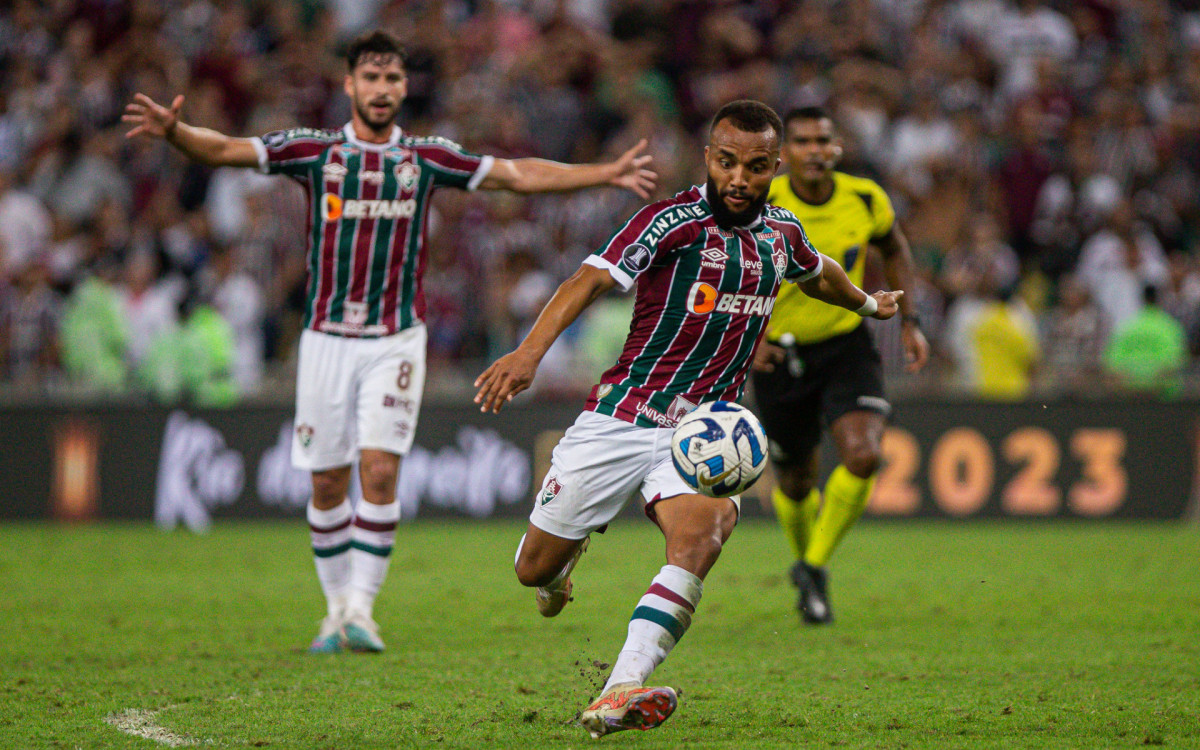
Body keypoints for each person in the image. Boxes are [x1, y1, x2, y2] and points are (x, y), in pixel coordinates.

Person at [123, 29, 657, 654]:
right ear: (349, 84)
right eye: (370, 78)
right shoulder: (315, 152)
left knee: (378, 470)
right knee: (327, 483)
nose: (381, 90)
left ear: (404, 87)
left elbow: (515, 174)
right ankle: (334, 610)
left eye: (392, 79)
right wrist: (177, 134)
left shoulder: (425, 159)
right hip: (325, 338)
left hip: (396, 338)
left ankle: (361, 611)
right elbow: (224, 150)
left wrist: (606, 172)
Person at [474, 100, 901, 737]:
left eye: (755, 167)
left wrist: (868, 303)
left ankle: (621, 686)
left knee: (702, 538)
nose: (738, 178)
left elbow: (820, 274)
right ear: (708, 158)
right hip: (621, 416)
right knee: (532, 569)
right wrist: (529, 354)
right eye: (726, 162)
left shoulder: (781, 235)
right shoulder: (669, 221)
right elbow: (588, 281)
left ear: (773, 168)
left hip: (702, 431)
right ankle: (562, 569)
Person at [751, 106, 929, 625]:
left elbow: (895, 247)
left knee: (863, 455)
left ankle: (812, 566)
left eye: (821, 140)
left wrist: (910, 320)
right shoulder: (764, 201)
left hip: (845, 343)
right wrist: (749, 338)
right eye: (801, 141)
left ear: (835, 149)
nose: (812, 150)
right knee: (796, 482)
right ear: (786, 154)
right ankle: (810, 570)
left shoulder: (866, 198)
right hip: (778, 353)